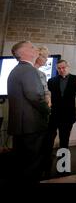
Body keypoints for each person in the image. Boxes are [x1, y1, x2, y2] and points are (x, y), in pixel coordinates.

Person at [7, 41, 50, 182]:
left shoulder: (17, 70)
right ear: (23, 52)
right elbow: (35, 96)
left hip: (22, 128)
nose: (35, 48)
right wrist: (47, 109)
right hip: (31, 127)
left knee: (22, 166)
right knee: (31, 167)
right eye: (32, 47)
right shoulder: (28, 70)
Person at [46, 60, 76, 151]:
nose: (61, 70)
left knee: (64, 140)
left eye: (63, 67)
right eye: (59, 68)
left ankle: (63, 162)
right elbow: (47, 96)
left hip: (68, 115)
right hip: (54, 114)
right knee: (49, 138)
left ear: (68, 67)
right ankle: (47, 158)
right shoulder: (51, 81)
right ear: (57, 69)